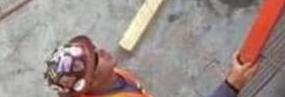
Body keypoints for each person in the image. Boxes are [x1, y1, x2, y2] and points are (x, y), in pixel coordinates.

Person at [44, 37, 257, 97]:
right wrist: (231, 86)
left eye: (93, 49)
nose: (101, 52)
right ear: (90, 83)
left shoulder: (105, 80)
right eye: (95, 60)